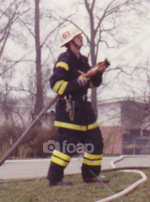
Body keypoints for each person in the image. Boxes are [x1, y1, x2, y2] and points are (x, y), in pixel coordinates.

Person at [47, 26, 110, 187]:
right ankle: (55, 178)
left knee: (95, 142)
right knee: (68, 146)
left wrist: (99, 72)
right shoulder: (64, 60)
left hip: (84, 109)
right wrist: (76, 83)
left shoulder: (82, 60)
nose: (81, 38)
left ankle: (90, 175)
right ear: (69, 41)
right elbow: (56, 84)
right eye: (77, 36)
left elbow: (93, 83)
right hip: (69, 111)